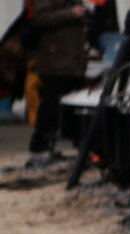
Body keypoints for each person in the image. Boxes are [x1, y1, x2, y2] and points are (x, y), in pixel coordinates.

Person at [26, 0, 89, 166]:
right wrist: (73, 13)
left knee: (74, 102)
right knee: (52, 102)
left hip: (72, 59)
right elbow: (41, 18)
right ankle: (41, 143)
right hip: (55, 59)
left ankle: (78, 142)